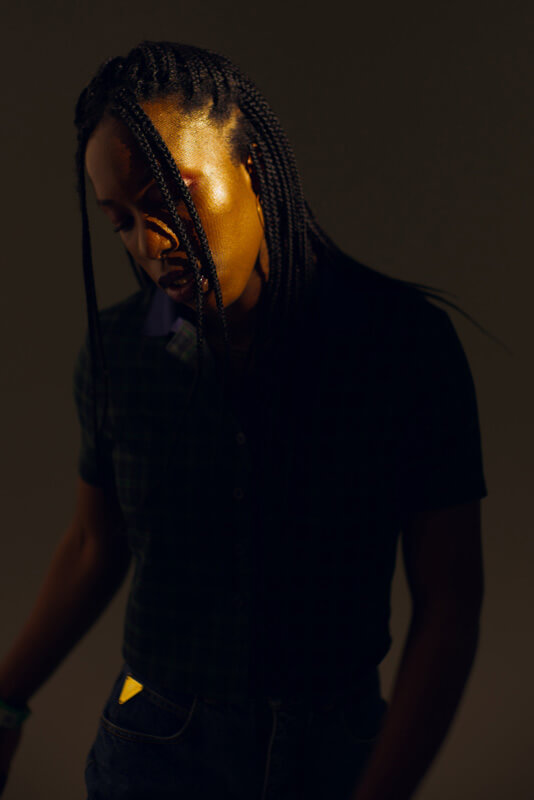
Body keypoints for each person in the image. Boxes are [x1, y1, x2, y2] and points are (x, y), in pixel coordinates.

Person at [0, 41, 489, 800]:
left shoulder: (401, 345)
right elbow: (96, 544)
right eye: (122, 220)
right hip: (153, 742)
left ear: (250, 166)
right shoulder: (122, 353)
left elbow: (450, 598)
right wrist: (5, 702)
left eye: (171, 196)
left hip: (336, 749)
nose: (150, 244)